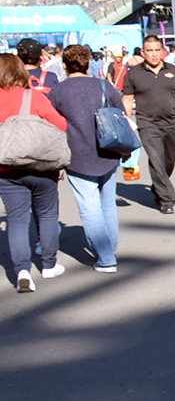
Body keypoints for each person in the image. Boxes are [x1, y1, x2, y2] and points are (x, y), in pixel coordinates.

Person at [48, 45, 124, 273]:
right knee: (107, 204)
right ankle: (110, 246)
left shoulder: (58, 92)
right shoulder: (103, 85)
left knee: (89, 207)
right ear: (88, 63)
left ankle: (106, 257)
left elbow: (51, 126)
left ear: (64, 65)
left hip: (77, 155)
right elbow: (121, 113)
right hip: (109, 150)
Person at [0, 54, 68, 292]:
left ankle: (22, 272)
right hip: (40, 165)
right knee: (47, 214)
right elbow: (61, 125)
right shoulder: (34, 96)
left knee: (16, 220)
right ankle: (49, 265)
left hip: (6, 168)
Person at [121, 35, 175, 214]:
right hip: (147, 124)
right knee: (156, 159)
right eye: (149, 51)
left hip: (171, 122)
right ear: (143, 52)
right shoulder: (134, 74)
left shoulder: (172, 70)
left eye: (157, 50)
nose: (154, 54)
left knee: (171, 156)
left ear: (162, 51)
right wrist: (125, 124)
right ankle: (167, 199)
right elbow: (128, 100)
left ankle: (158, 185)